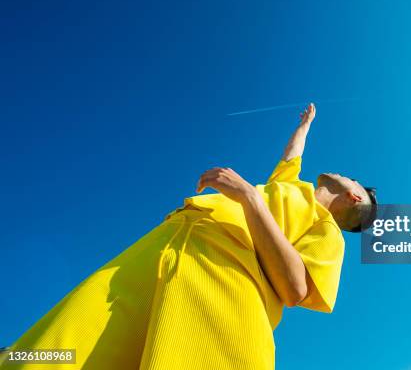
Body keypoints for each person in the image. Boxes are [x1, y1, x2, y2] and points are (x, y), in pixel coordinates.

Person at [1, 103, 377, 370]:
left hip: (222, 283)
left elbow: (295, 288)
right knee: (47, 352)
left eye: (353, 178)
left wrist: (248, 198)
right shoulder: (288, 186)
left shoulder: (327, 231)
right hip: (162, 249)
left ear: (354, 196)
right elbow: (292, 155)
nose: (345, 171)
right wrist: (306, 125)